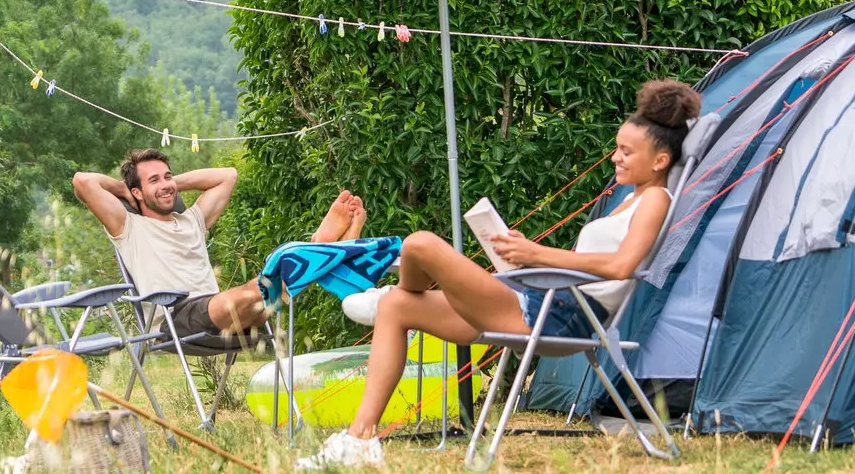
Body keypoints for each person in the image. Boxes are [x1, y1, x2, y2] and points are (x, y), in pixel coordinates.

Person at [296, 80, 701, 470]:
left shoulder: (654, 201)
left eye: (627, 152)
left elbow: (621, 267)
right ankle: (360, 440)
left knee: (419, 243)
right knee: (399, 308)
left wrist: (535, 252)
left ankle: (389, 289)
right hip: (539, 302)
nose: (616, 157)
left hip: (557, 317)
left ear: (660, 160)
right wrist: (525, 259)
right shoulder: (629, 199)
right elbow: (591, 265)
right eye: (617, 148)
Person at [72, 148, 368, 341]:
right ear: (137, 191)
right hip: (176, 317)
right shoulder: (128, 226)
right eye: (154, 181)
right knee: (262, 289)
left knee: (277, 293)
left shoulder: (192, 220)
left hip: (220, 314)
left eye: (168, 176)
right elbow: (82, 182)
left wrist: (171, 185)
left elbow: (229, 175)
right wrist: (123, 190)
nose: (165, 184)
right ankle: (318, 247)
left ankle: (319, 247)